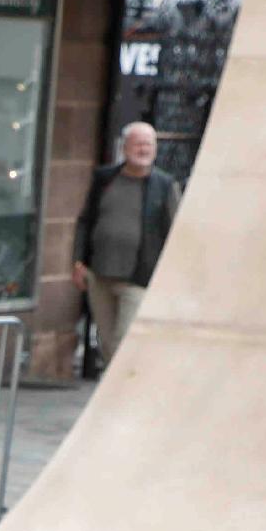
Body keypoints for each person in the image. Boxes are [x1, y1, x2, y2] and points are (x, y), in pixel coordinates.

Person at [73, 120, 182, 371]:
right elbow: (85, 220)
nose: (143, 150)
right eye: (138, 144)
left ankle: (123, 392)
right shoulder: (104, 179)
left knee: (124, 342)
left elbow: (174, 232)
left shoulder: (164, 186)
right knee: (107, 342)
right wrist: (78, 261)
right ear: (125, 147)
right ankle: (118, 390)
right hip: (99, 275)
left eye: (148, 144)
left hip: (138, 278)